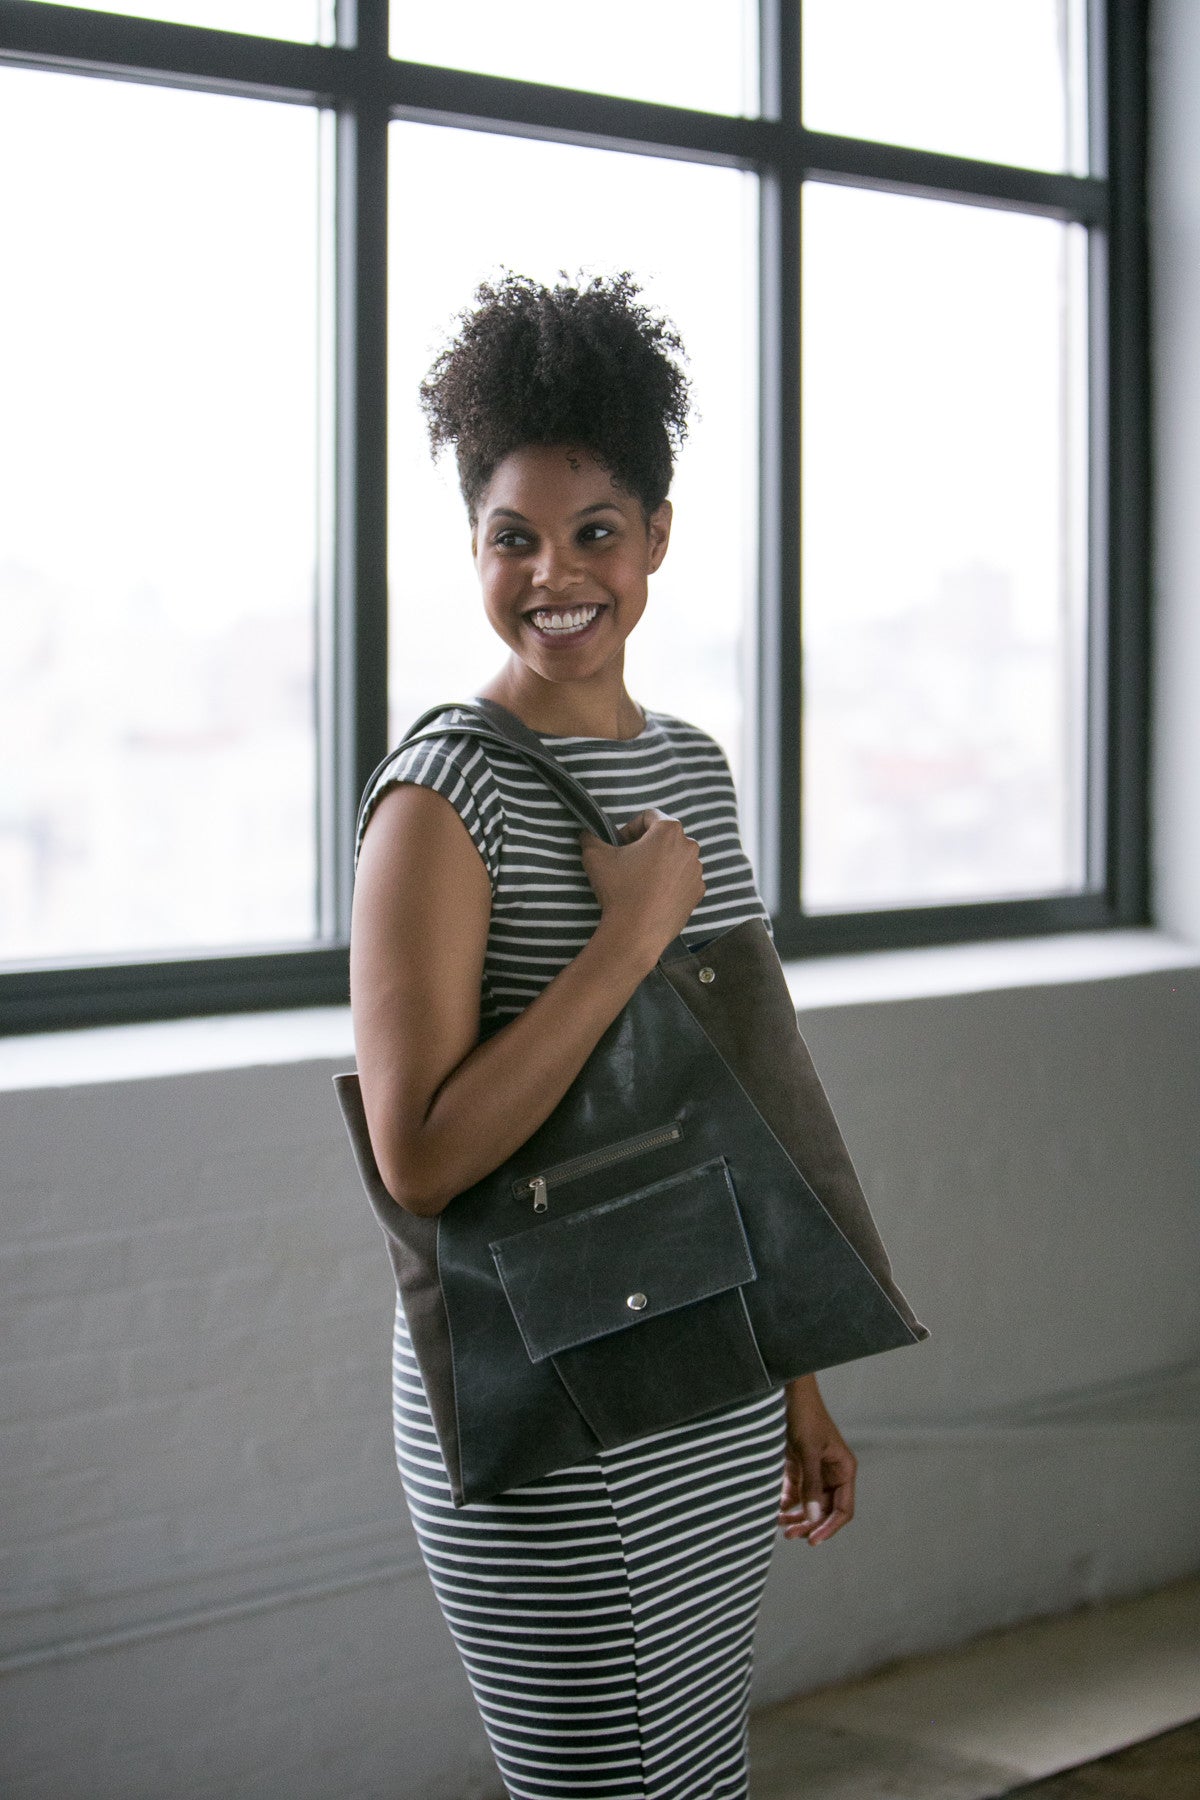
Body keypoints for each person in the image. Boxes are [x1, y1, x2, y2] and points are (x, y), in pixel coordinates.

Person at [350, 271, 857, 1800]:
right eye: (514, 537)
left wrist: (799, 1375)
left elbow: (739, 1101)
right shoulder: (440, 798)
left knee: (695, 1773)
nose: (555, 576)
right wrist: (628, 936)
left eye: (595, 534)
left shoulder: (693, 770)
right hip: (551, 1409)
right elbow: (418, 1157)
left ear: (657, 539)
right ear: (473, 546)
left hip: (712, 1375)